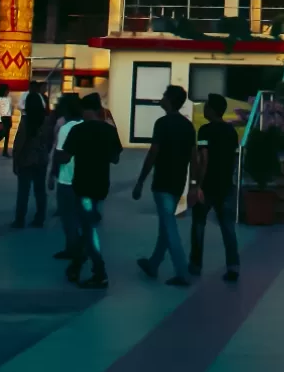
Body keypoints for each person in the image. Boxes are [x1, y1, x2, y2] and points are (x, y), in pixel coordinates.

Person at [133, 84, 196, 286]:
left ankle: (182, 272)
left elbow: (153, 153)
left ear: (169, 100)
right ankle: (153, 264)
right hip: (178, 182)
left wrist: (141, 180)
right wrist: (194, 183)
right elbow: (194, 158)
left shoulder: (162, 123)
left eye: (163, 96)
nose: (160, 99)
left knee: (169, 227)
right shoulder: (188, 126)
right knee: (165, 225)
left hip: (162, 183)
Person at [61, 91, 122, 289]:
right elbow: (115, 158)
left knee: (88, 229)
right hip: (101, 185)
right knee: (87, 225)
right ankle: (76, 265)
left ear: (86, 110)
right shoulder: (109, 131)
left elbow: (66, 156)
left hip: (82, 185)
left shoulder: (78, 131)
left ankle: (99, 271)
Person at [188, 93, 241, 281]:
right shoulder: (231, 132)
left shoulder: (204, 131)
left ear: (211, 109)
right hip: (226, 184)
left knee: (198, 225)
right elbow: (235, 158)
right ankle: (233, 266)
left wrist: (196, 184)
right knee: (227, 227)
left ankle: (195, 264)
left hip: (208, 185)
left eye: (206, 105)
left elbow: (204, 159)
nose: (204, 108)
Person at [49, 93, 84, 260]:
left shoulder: (65, 128)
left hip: (66, 179)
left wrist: (51, 173)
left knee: (67, 218)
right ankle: (79, 248)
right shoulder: (85, 125)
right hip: (83, 179)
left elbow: (61, 156)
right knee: (79, 218)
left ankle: (72, 250)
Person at [11, 85, 51, 228]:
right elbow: (50, 139)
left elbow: (19, 143)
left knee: (23, 191)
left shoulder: (25, 121)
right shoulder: (46, 121)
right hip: (41, 160)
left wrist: (15, 160)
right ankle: (40, 217)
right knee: (40, 191)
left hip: (26, 160)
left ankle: (20, 219)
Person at [0, 87, 14, 157]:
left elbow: (10, 110)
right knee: (2, 134)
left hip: (8, 118)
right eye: (6, 91)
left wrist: (11, 118)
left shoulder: (9, 99)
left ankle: (5, 151)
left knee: (7, 136)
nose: (8, 92)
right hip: (3, 118)